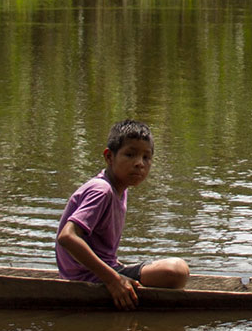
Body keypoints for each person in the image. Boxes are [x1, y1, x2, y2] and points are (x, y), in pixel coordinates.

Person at [56, 119, 191, 308]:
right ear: (109, 157)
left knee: (176, 271)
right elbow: (67, 237)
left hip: (99, 271)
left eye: (146, 157)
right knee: (177, 271)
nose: (139, 164)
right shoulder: (102, 190)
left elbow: (99, 246)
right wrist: (113, 280)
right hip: (89, 277)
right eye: (130, 155)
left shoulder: (119, 188)